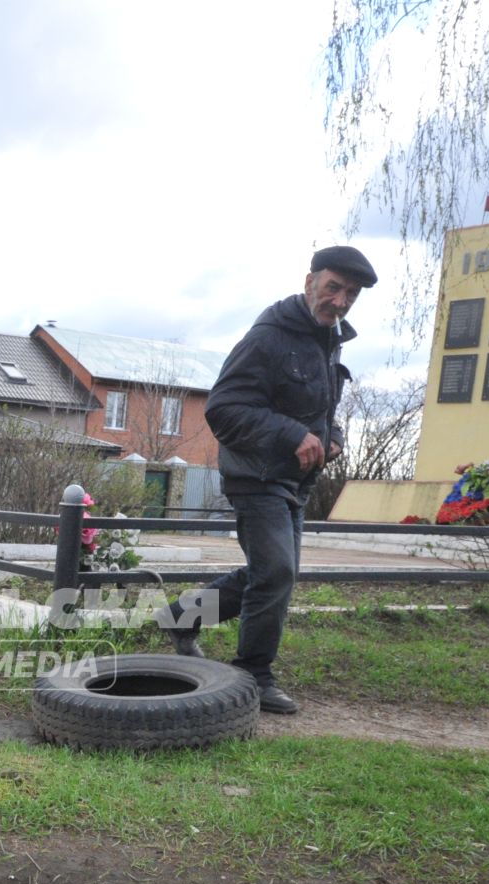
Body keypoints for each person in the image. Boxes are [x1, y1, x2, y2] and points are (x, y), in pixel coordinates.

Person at [169, 245, 376, 714]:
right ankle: (253, 674)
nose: (340, 301)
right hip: (255, 475)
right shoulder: (268, 337)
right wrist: (292, 435)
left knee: (273, 574)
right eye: (333, 288)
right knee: (276, 572)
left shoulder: (328, 341)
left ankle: (182, 617)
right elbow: (224, 408)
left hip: (292, 481)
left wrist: (332, 436)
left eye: (351, 294)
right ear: (310, 283)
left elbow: (322, 409)